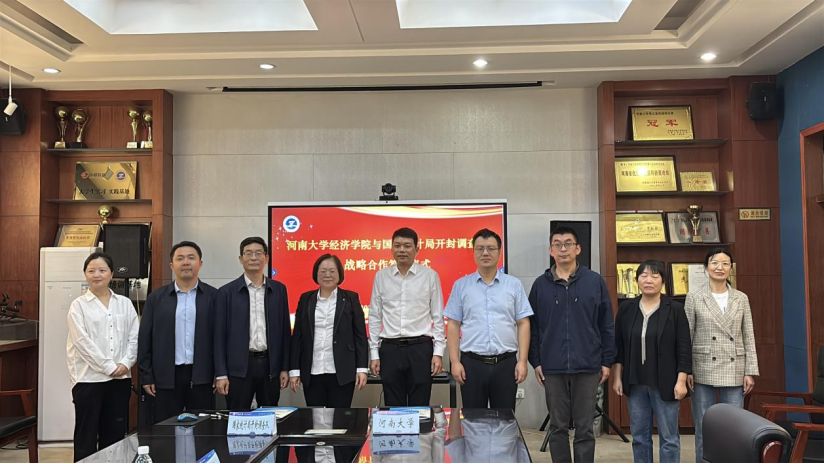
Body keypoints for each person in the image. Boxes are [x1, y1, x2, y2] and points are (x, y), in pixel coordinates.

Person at [527, 225, 615, 463]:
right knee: (557, 426)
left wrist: (607, 361)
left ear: (578, 249)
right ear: (550, 250)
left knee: (585, 428)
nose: (563, 248)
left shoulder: (594, 282)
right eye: (557, 244)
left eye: (568, 244)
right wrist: (536, 361)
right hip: (552, 367)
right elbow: (532, 328)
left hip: (588, 365)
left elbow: (606, 324)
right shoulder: (540, 285)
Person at [612, 260, 692, 463]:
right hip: (635, 382)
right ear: (637, 280)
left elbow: (684, 348)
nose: (649, 280)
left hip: (666, 382)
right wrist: (617, 377)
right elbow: (619, 347)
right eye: (644, 276)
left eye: (655, 276)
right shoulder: (627, 309)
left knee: (669, 438)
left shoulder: (675, 309)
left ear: (663, 281)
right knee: (639, 437)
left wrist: (681, 380)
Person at [445, 228, 532, 409]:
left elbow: (523, 323)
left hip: (506, 364)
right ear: (473, 252)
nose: (485, 253)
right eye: (480, 248)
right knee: (473, 419)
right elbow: (453, 324)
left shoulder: (513, 285)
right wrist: (455, 361)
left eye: (491, 248)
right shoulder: (461, 286)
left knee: (505, 419)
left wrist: (522, 361)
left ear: (499, 252)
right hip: (471, 365)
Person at [686, 247, 759, 462]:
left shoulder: (741, 298)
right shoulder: (694, 297)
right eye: (715, 263)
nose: (720, 267)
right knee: (703, 426)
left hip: (734, 367)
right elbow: (687, 335)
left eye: (725, 263)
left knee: (734, 428)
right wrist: (686, 369)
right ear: (706, 267)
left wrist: (750, 371)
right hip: (702, 366)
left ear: (731, 268)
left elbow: (748, 335)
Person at [66, 252, 139, 462]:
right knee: (86, 436)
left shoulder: (125, 303)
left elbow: (134, 336)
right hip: (88, 379)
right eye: (91, 271)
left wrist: (125, 363)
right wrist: (108, 366)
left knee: (115, 435)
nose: (96, 274)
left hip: (120, 379)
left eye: (102, 270)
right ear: (85, 274)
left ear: (111, 274)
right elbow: (82, 342)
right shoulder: (78, 305)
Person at [137, 241, 218, 422]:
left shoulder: (214, 297)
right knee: (165, 428)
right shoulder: (156, 298)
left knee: (203, 428)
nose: (186, 262)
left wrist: (218, 372)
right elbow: (145, 340)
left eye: (191, 258)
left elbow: (220, 339)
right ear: (171, 265)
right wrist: (146, 376)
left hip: (202, 376)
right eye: (180, 258)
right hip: (165, 376)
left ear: (200, 263)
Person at [369, 227, 446, 406]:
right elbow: (374, 317)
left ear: (417, 249)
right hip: (390, 349)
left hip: (420, 348)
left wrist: (438, 353)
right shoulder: (381, 276)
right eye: (397, 246)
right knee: (393, 405)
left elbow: (438, 316)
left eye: (407, 246)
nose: (402, 250)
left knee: (420, 404)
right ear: (391, 249)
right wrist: (374, 353)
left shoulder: (430, 276)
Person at [214, 236, 290, 410]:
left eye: (258, 253)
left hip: (269, 366)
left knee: (269, 414)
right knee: (237, 415)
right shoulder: (226, 292)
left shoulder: (278, 290)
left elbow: (285, 332)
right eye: (248, 253)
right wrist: (221, 373)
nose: (253, 257)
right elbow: (219, 336)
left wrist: (284, 368)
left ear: (266, 257)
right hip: (238, 367)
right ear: (241, 259)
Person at [288, 254, 369, 406]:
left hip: (342, 371)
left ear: (339, 274)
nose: (327, 275)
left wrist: (362, 368)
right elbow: (297, 336)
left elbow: (360, 336)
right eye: (323, 271)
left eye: (332, 271)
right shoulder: (306, 299)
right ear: (316, 273)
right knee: (315, 416)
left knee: (339, 416)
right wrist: (294, 370)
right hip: (312, 370)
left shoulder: (351, 298)